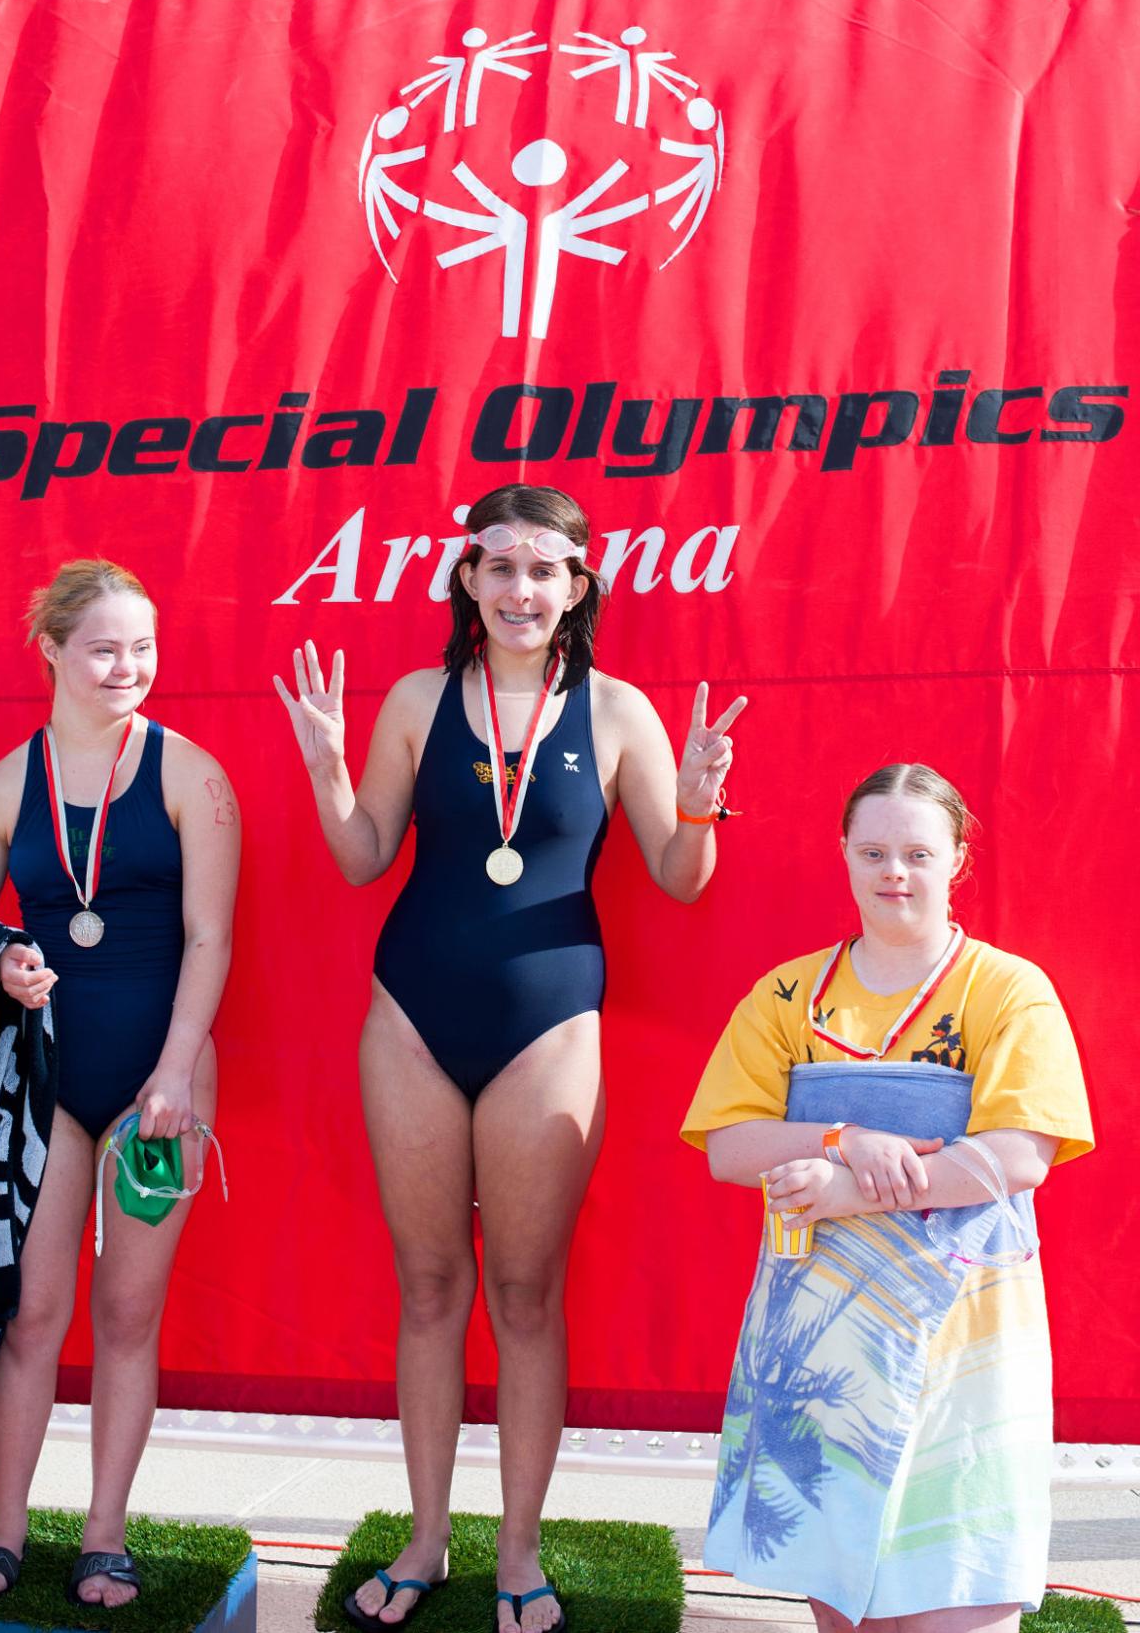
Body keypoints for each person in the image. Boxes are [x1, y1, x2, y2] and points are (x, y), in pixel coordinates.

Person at [275, 483, 746, 1633]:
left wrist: (695, 809)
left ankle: (520, 1549)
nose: (521, 591)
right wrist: (329, 767)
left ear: (578, 585)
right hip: (412, 1015)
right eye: (500, 569)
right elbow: (361, 857)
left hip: (550, 1026)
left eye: (545, 572)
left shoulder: (621, 710)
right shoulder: (415, 698)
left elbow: (681, 880)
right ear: (468, 580)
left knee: (525, 1292)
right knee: (430, 1285)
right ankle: (428, 1535)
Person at [681, 762, 1095, 1633]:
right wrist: (840, 1139)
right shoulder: (788, 995)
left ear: (959, 859)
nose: (894, 871)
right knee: (845, 1608)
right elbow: (727, 1143)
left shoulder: (1008, 989)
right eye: (873, 851)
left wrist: (844, 1192)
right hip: (824, 1345)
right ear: (843, 855)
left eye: (916, 851)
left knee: (959, 1587)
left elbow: (1020, 1154)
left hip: (967, 1338)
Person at [0, 560, 240, 1610]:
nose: (129, 667)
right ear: (54, 653)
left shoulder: (191, 775)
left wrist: (173, 1070)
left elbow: (210, 937)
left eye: (144, 647)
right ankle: (7, 1523)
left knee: (128, 1311)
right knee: (32, 1311)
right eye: (106, 647)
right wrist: (3, 963)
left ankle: (104, 1532)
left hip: (160, 1078)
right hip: (45, 1076)